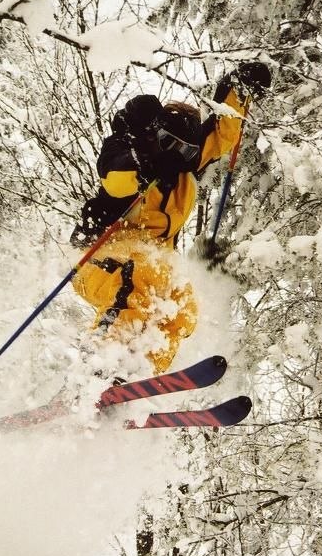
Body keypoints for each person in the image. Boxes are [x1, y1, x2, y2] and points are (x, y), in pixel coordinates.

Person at [70, 62, 271, 374]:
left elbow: (222, 135)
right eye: (171, 146)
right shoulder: (127, 154)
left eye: (188, 152)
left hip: (151, 262)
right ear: (154, 137)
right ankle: (96, 365)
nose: (179, 157)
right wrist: (146, 166)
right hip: (99, 257)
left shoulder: (181, 170)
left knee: (181, 307)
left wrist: (238, 92)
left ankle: (139, 375)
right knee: (138, 280)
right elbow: (114, 177)